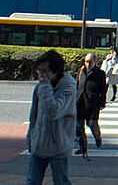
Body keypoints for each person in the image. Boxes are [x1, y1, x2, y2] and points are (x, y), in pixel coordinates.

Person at [26, 50, 77, 185]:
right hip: (39, 143)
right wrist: (31, 136)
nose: (41, 75)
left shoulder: (68, 87)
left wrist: (44, 85)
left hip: (59, 144)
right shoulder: (40, 87)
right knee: (32, 180)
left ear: (56, 70)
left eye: (45, 71)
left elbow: (54, 111)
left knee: (60, 181)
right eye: (39, 71)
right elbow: (34, 114)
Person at [76, 53, 107, 153]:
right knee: (79, 126)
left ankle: (97, 137)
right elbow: (76, 85)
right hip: (80, 102)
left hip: (93, 104)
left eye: (90, 62)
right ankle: (82, 146)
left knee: (92, 124)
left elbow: (103, 90)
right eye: (86, 61)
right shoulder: (81, 71)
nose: (88, 64)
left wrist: (102, 103)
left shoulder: (100, 74)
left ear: (95, 62)